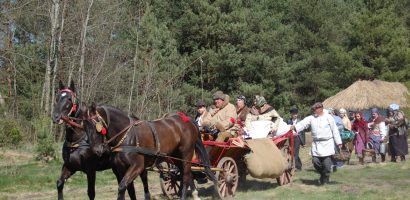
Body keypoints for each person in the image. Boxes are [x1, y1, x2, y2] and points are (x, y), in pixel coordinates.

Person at [292, 102, 342, 185]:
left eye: (315, 109)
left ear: (320, 109)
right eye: (313, 110)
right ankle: (323, 175)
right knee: (316, 162)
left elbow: (335, 130)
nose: (313, 111)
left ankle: (325, 178)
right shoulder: (311, 118)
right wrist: (295, 127)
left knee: (326, 164)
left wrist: (339, 142)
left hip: (327, 144)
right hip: (316, 145)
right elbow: (303, 124)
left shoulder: (328, 117)